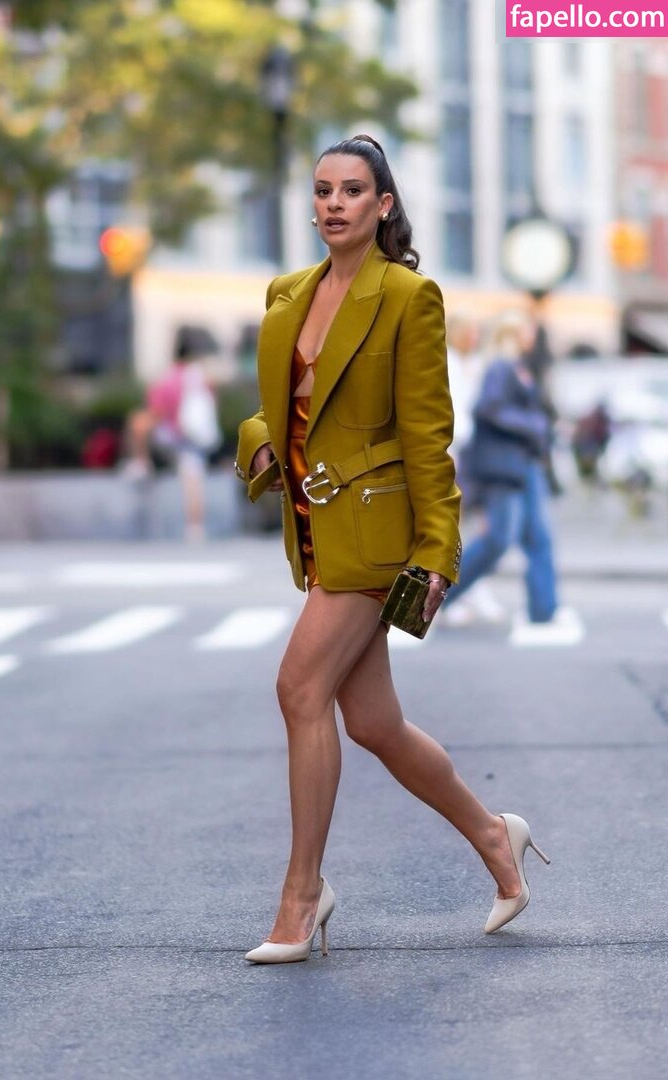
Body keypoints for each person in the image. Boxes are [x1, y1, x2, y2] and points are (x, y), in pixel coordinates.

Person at [234, 135, 549, 965]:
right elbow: (281, 408)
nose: (334, 203)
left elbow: (427, 435)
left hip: (376, 535)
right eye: (323, 190)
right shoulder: (288, 294)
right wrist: (258, 443)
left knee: (299, 688)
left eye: (352, 190)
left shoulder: (409, 297)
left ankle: (303, 895)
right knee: (374, 723)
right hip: (316, 529)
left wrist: (438, 551)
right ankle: (496, 837)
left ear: (383, 205)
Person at [443, 311, 562, 626]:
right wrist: (534, 426)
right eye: (527, 329)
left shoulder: (516, 366)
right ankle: (436, 596)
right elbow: (488, 408)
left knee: (534, 536)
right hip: (503, 466)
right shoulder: (501, 367)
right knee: (497, 540)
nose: (532, 335)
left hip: (519, 462)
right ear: (514, 333)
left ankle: (544, 610)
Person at [123, 344, 221, 542]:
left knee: (137, 423)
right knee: (192, 478)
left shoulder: (169, 379)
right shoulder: (201, 377)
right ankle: (195, 527)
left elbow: (157, 411)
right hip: (195, 438)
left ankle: (141, 463)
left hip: (174, 435)